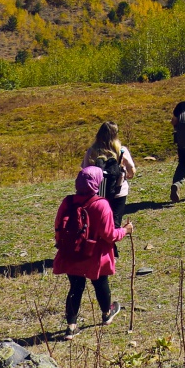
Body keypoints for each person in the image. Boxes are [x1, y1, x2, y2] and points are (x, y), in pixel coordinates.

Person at [53, 165, 131, 336]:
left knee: (75, 287)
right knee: (100, 283)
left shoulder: (67, 201)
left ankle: (71, 327)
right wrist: (125, 230)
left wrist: (61, 246)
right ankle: (106, 313)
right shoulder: (101, 205)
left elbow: (58, 226)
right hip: (95, 254)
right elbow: (109, 235)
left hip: (72, 252)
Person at [81, 121, 137, 227]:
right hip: (118, 192)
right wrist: (127, 175)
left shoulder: (92, 151)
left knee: (98, 224)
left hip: (97, 193)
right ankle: (112, 239)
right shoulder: (121, 151)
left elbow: (85, 170)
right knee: (114, 223)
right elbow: (132, 171)